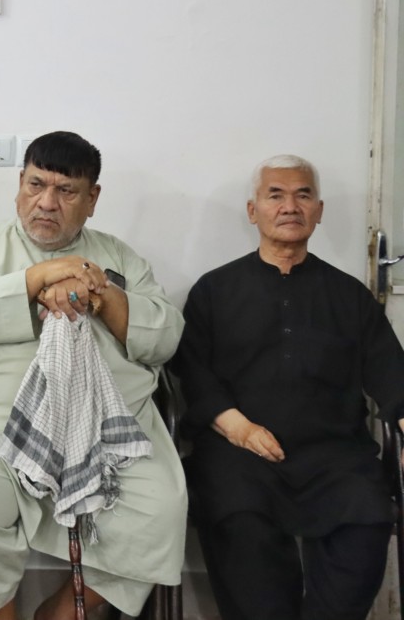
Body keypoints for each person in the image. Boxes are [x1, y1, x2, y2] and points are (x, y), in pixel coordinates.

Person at [0, 130, 187, 620]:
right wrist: (36, 280)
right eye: (36, 184)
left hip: (108, 432)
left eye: (66, 191)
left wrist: (99, 296)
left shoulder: (118, 258)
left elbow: (165, 336)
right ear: (19, 185)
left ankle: (60, 613)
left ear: (92, 199)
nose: (46, 202)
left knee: (161, 507)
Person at [172, 154, 404, 620]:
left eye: (303, 195)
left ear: (318, 211)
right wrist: (239, 429)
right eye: (275, 195)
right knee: (240, 521)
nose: (290, 206)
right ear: (253, 210)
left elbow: (391, 372)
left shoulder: (350, 295)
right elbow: (193, 373)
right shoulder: (213, 291)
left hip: (336, 454)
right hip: (240, 452)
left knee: (367, 515)